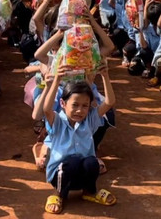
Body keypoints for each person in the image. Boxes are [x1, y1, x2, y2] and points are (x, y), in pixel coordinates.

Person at [42, 69, 117, 214]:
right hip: (61, 175)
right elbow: (46, 109)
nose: (79, 110)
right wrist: (56, 81)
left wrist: (105, 75)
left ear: (89, 107)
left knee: (92, 162)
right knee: (72, 162)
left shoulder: (90, 120)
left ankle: (89, 192)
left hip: (81, 176)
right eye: (75, 105)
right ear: (63, 104)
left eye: (85, 106)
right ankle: (58, 195)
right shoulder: (57, 121)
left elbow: (109, 102)